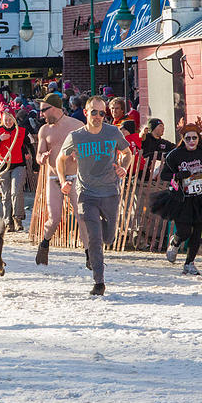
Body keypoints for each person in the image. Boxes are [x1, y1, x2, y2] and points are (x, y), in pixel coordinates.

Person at [56, 96, 131, 295]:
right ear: (86, 113)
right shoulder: (76, 136)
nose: (98, 117)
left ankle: (100, 256)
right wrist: (63, 181)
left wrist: (123, 167)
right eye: (94, 112)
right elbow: (60, 160)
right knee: (95, 239)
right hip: (86, 193)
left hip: (110, 192)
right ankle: (99, 282)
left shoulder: (113, 132)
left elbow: (127, 153)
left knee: (108, 237)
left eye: (101, 113)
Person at [150, 120, 202, 275]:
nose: (191, 141)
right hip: (182, 197)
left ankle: (189, 263)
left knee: (198, 231)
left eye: (194, 138)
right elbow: (164, 175)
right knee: (184, 231)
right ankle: (175, 241)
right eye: (188, 138)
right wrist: (177, 175)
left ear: (199, 139)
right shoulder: (175, 155)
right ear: (183, 139)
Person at [34, 93, 89, 267]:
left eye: (43, 110)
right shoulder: (44, 130)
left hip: (74, 177)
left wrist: (79, 155)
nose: (41, 114)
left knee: (82, 216)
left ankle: (89, 254)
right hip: (54, 177)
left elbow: (88, 150)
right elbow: (38, 155)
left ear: (55, 108)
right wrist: (42, 157)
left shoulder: (77, 125)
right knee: (54, 217)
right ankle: (44, 243)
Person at [0, 104, 33, 232]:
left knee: (16, 191)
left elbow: (30, 145)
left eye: (10, 119)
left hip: (19, 164)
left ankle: (17, 218)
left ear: (14, 119)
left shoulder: (22, 131)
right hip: (3, 165)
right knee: (6, 194)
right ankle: (8, 222)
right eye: (5, 120)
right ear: (1, 120)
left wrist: (31, 158)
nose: (7, 122)